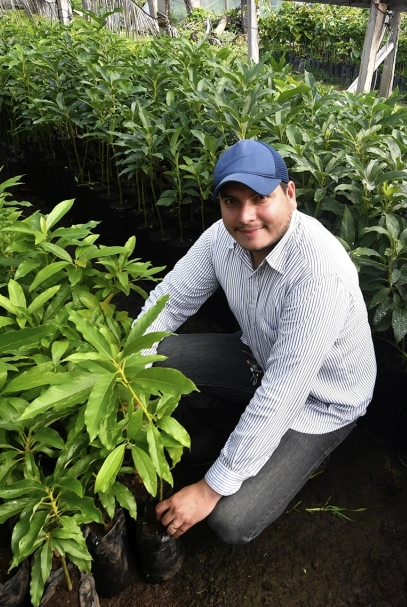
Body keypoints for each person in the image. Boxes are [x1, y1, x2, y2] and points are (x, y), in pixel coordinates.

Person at [138, 139, 376, 544]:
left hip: (320, 401)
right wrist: (128, 368)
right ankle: (232, 431)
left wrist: (209, 489)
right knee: (157, 361)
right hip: (258, 357)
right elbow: (169, 300)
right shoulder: (221, 241)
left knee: (231, 520)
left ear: (290, 194)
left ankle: (304, 454)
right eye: (231, 201)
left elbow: (283, 392)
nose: (245, 217)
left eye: (260, 198)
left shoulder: (319, 273)